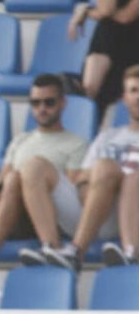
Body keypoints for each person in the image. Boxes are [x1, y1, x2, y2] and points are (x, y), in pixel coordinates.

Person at [0, 75, 89, 274]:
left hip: (40, 217)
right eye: (35, 103)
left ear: (63, 103)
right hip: (7, 211)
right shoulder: (20, 140)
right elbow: (2, 180)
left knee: (17, 177)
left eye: (49, 102)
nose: (42, 108)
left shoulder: (76, 143)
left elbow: (70, 193)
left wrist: (17, 184)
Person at [16, 66, 137, 272]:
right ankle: (51, 249)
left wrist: (112, 177)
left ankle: (91, 251)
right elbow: (82, 178)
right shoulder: (108, 137)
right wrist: (101, 181)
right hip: (95, 207)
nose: (138, 97)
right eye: (133, 91)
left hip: (130, 216)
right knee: (34, 166)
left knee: (121, 173)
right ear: (124, 98)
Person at [69, 0, 139, 121]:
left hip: (135, 45)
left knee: (108, 27)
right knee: (107, 30)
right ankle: (89, 89)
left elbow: (125, 16)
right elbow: (108, 8)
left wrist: (87, 11)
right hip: (111, 49)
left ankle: (87, 90)